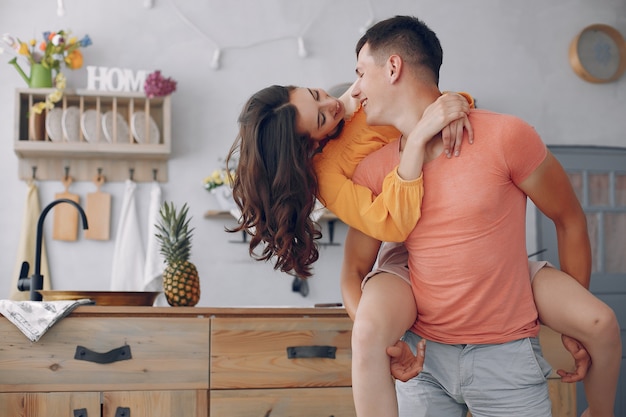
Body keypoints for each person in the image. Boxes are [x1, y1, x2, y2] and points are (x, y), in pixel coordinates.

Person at [342, 15, 621, 417]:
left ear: (392, 67)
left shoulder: (507, 137)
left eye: (360, 73)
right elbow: (354, 270)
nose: (355, 89)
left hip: (507, 361)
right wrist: (382, 341)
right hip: (423, 362)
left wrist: (569, 327)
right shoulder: (373, 171)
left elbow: (570, 219)